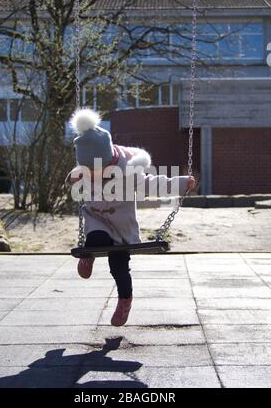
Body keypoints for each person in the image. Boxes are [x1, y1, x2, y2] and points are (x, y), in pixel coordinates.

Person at [66, 108, 195, 327]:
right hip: (96, 218)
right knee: (96, 238)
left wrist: (182, 183)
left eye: (96, 170)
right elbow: (72, 179)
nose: (93, 175)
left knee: (119, 265)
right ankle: (88, 255)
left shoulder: (129, 170)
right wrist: (73, 179)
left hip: (122, 226)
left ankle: (125, 300)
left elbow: (152, 184)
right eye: (88, 171)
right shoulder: (87, 167)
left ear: (109, 162)